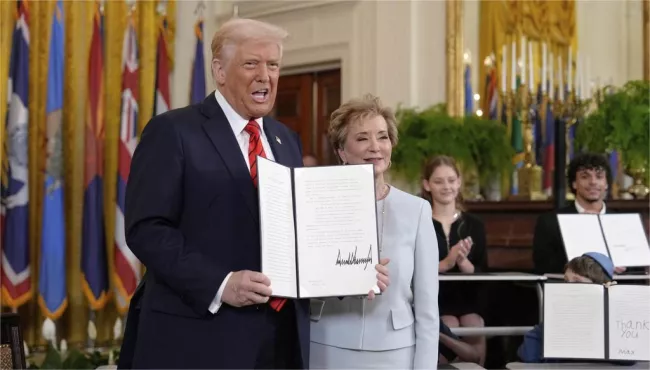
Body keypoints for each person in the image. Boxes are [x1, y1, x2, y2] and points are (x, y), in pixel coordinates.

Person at [118, 18, 389, 369]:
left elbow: (299, 235)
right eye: (252, 64)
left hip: (281, 338)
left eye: (273, 64)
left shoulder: (286, 140)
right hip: (200, 337)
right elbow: (146, 229)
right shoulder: (173, 131)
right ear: (219, 70)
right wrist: (221, 283)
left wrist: (348, 273)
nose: (266, 75)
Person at [309, 94, 439, 369]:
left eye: (382, 137)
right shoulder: (318, 203)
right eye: (362, 138)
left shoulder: (417, 210)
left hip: (395, 350)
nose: (375, 147)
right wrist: (344, 278)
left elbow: (428, 308)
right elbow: (303, 280)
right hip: (328, 344)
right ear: (341, 151)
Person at [420, 155, 488, 366]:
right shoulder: (420, 221)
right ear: (427, 185)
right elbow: (413, 267)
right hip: (435, 299)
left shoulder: (474, 224)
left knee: (474, 323)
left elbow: (483, 269)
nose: (446, 186)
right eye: (438, 181)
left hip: (467, 297)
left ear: (459, 182)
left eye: (451, 180)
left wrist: (464, 263)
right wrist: (446, 263)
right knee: (447, 323)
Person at [518, 252, 634, 366]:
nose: (568, 287)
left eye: (577, 281)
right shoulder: (559, 317)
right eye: (566, 281)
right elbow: (529, 355)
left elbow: (628, 358)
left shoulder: (617, 321)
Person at [532, 152, 629, 275]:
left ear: (606, 184)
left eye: (599, 177)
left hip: (617, 290)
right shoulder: (550, 222)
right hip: (570, 291)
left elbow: (638, 268)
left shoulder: (623, 223)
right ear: (574, 183)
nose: (593, 182)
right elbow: (543, 266)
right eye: (585, 177)